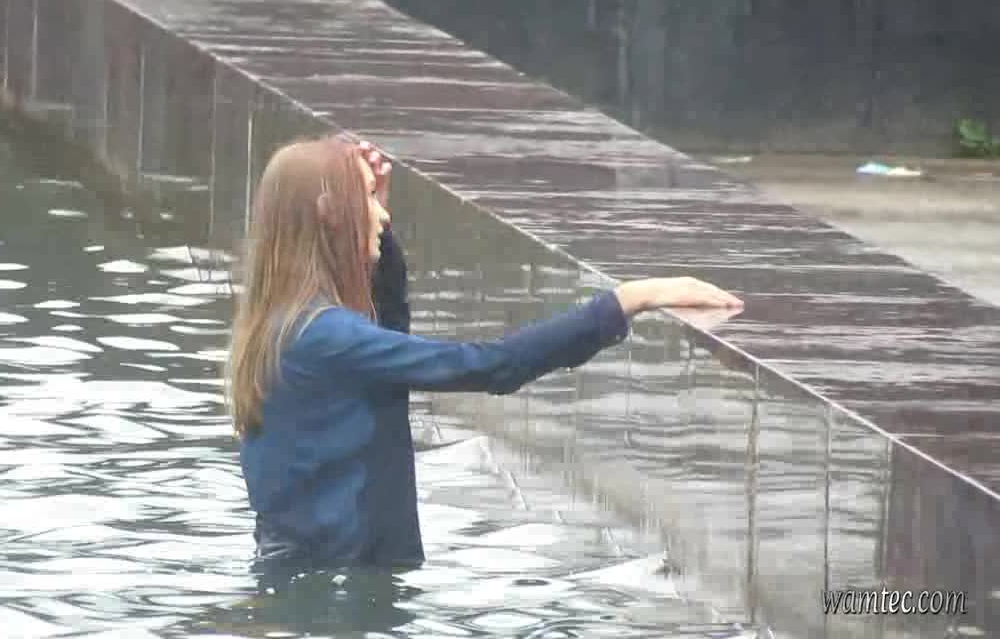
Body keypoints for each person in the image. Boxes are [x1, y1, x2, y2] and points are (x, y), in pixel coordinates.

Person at [223, 134, 742, 574]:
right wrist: (626, 301)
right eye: (368, 201)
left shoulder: (291, 324)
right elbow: (491, 366)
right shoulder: (325, 336)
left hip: (318, 578)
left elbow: (386, 358)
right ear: (329, 214)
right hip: (336, 594)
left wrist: (376, 242)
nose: (382, 215)